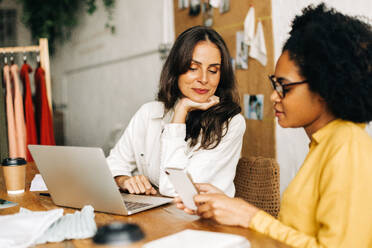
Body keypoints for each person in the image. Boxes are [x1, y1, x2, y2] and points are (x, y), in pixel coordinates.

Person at [176, 4, 372, 247]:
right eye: (274, 84)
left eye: (284, 87)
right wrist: (236, 209)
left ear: (324, 88)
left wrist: (250, 217)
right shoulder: (324, 144)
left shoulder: (348, 146)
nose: (273, 97)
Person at [107, 26, 245, 197]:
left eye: (213, 70)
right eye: (193, 68)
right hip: (160, 215)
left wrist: (181, 112)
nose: (203, 79)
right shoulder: (149, 113)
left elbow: (177, 189)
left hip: (203, 220)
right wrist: (124, 180)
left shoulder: (231, 123)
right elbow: (113, 165)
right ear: (176, 69)